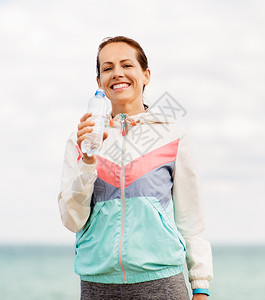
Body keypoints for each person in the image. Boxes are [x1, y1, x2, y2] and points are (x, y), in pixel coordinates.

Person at [58, 36, 213, 300]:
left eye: (126, 65)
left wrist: (200, 287)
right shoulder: (80, 139)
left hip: (162, 283)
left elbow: (191, 221)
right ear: (99, 82)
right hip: (98, 284)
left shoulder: (173, 135)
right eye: (107, 68)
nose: (117, 73)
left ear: (145, 75)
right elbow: (73, 221)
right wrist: (88, 161)